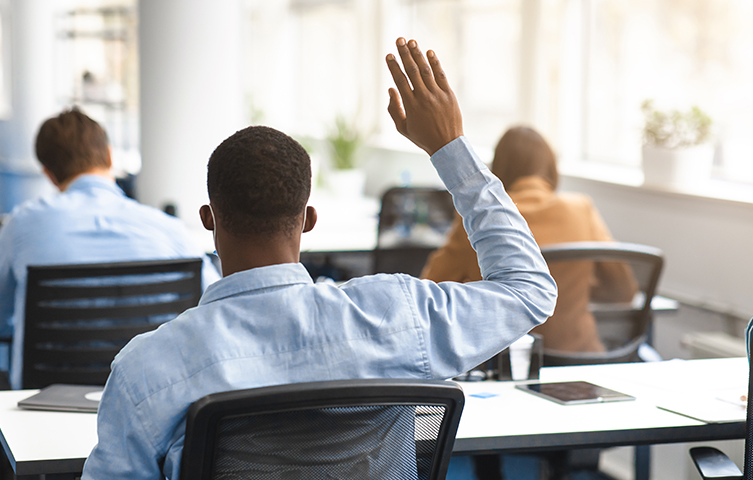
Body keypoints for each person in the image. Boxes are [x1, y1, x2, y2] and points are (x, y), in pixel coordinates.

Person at [80, 38, 557, 480]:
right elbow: (530, 289)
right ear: (308, 219)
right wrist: (448, 147)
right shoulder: (394, 316)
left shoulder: (148, 367)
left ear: (209, 218)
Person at [0, 107, 221, 390]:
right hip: (151, 400)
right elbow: (214, 308)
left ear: (49, 174)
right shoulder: (170, 231)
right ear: (110, 156)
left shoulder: (21, 227)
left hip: (49, 403)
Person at [422, 125, 637, 354]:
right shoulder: (580, 209)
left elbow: (429, 295)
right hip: (578, 361)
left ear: (497, 169)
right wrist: (569, 290)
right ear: (551, 167)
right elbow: (622, 292)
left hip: (502, 366)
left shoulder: (481, 216)